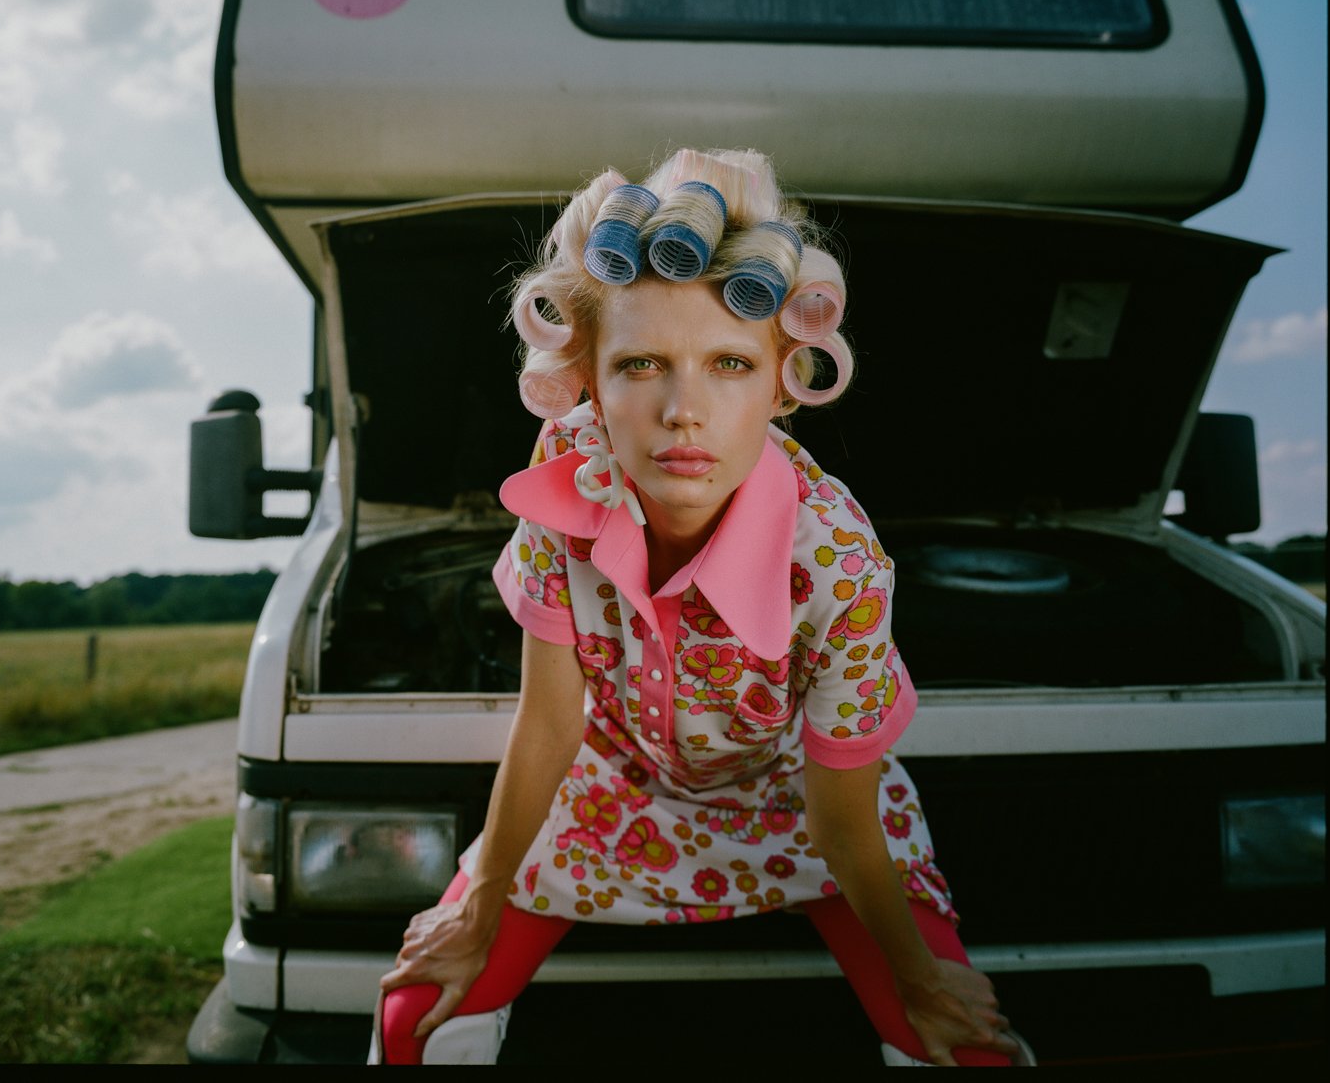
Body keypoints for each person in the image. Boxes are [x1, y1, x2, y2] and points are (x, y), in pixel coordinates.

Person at [370, 148, 1031, 1066]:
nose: (685, 409)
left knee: (971, 1050)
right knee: (413, 1020)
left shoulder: (839, 562)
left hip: (796, 810)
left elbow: (841, 816)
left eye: (728, 362)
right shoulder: (566, 477)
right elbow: (549, 725)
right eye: (641, 363)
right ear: (591, 384)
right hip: (606, 791)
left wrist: (921, 979)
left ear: (781, 382)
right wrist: (479, 910)